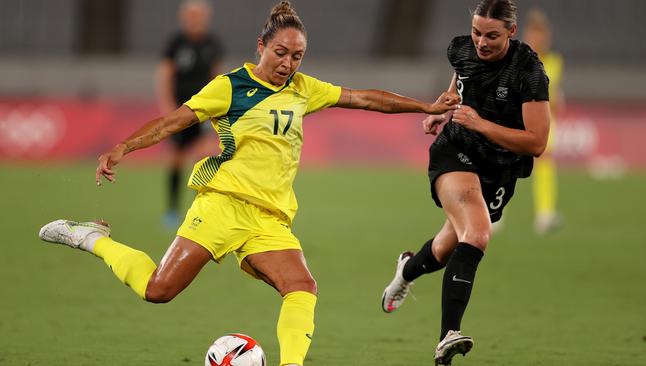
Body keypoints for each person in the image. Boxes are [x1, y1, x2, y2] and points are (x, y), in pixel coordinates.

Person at [38, 2, 459, 366]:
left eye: (297, 56)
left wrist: (425, 105)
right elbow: (174, 121)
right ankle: (90, 238)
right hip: (222, 205)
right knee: (158, 290)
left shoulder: (303, 89)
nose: (288, 64)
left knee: (302, 287)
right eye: (281, 53)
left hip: (270, 218)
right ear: (261, 46)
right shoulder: (231, 87)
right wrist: (123, 148)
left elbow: (366, 99)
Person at [380, 0, 550, 365]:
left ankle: (407, 270)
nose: (481, 42)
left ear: (511, 32)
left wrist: (481, 124)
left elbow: (537, 142)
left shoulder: (529, 72)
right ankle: (447, 338)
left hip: (500, 168)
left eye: (492, 35)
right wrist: (445, 108)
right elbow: (461, 81)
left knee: (445, 248)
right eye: (476, 32)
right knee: (477, 233)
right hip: (456, 151)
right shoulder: (460, 48)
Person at [157, 0, 224, 228]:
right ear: (184, 18)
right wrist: (167, 107)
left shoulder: (212, 44)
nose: (195, 20)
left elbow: (218, 77)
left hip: (203, 111)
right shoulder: (176, 43)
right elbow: (165, 75)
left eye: (199, 15)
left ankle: (202, 212)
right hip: (180, 110)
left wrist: (218, 108)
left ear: (206, 18)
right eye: (191, 15)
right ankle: (172, 211)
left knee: (205, 156)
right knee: (176, 158)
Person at [523, 9, 564, 234]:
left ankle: (545, 214)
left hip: (545, 123)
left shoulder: (555, 62)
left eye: (542, 34)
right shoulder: (520, 59)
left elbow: (555, 94)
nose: (538, 38)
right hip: (519, 121)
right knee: (503, 165)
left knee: (545, 163)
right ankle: (492, 213)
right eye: (534, 33)